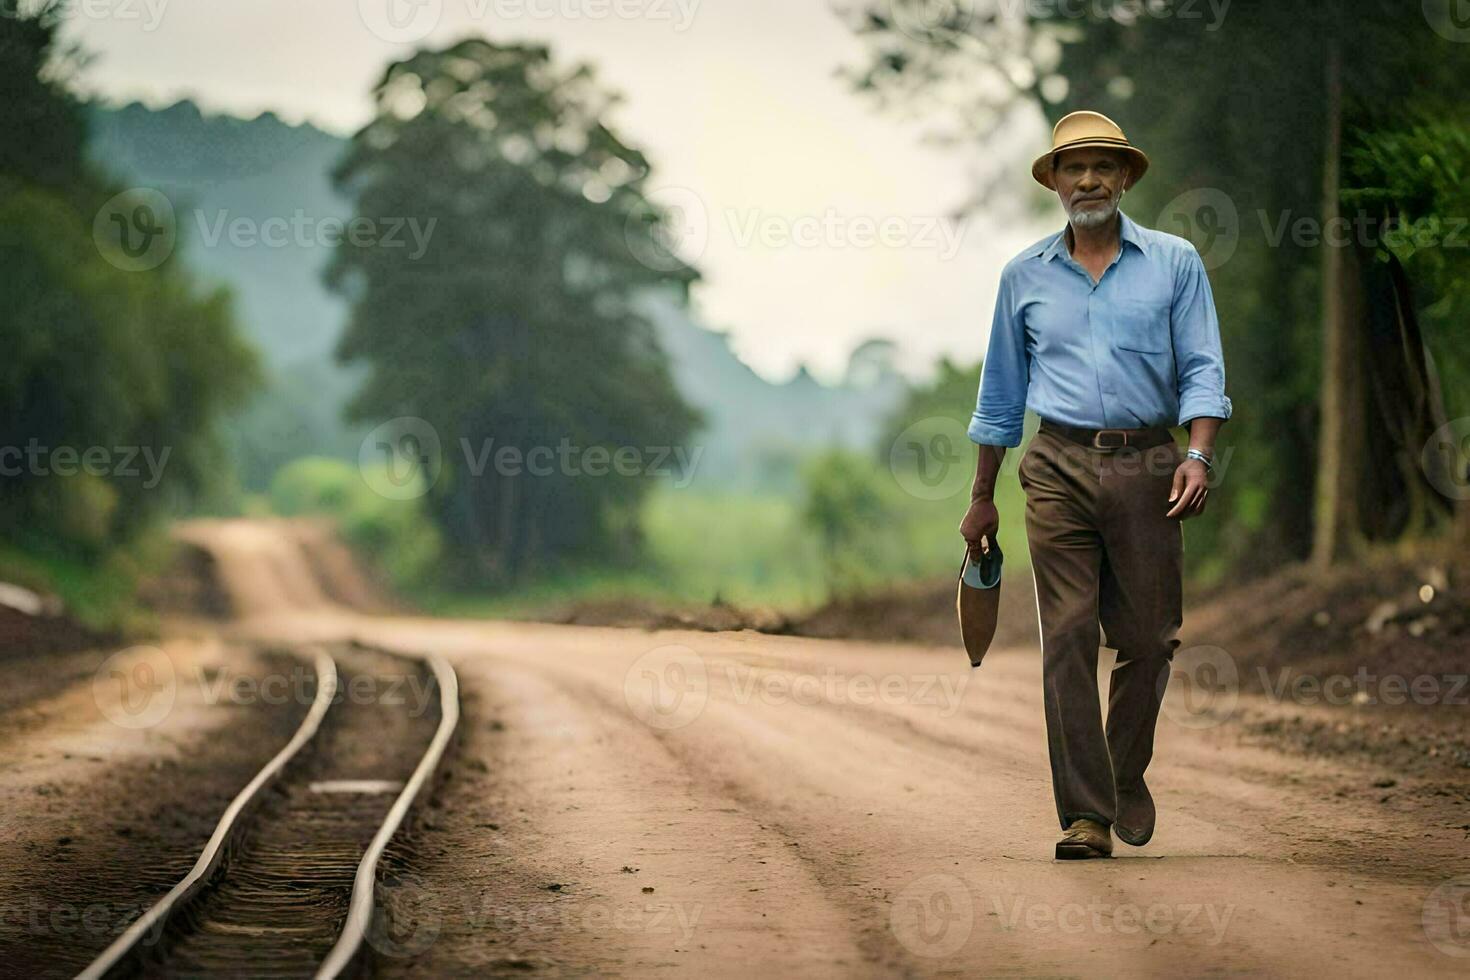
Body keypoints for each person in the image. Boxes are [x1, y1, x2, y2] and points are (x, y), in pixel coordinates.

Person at [959, 110, 1232, 860]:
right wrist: (982, 496)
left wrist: (1198, 455)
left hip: (1151, 461)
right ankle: (1086, 813)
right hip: (1057, 465)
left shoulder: (1175, 264)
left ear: (1123, 177)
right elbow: (1000, 396)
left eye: (1101, 166)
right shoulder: (1023, 276)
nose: (1088, 180)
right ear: (1053, 183)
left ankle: (1122, 773)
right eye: (1072, 168)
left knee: (1149, 639)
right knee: (1069, 634)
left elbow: (1204, 368)